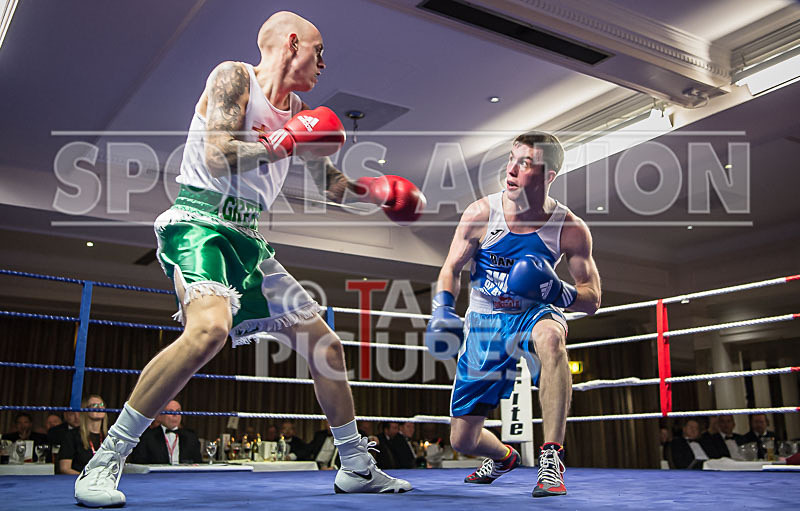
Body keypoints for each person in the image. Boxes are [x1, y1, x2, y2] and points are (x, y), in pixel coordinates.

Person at [73, 11, 420, 507]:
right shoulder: (233, 76)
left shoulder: (299, 109)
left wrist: (380, 192)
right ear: (293, 42)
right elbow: (217, 154)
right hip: (199, 221)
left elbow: (332, 185)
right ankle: (103, 462)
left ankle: (356, 466)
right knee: (208, 332)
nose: (324, 63)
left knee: (327, 346)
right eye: (319, 52)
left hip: (249, 238)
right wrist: (283, 142)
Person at [425, 132, 601, 497]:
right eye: (511, 158)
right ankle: (504, 457)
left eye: (525, 162)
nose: (511, 169)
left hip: (534, 310)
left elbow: (592, 297)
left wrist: (558, 292)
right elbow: (449, 269)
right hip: (486, 319)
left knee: (552, 340)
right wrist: (442, 309)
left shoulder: (568, 227)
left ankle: (551, 458)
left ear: (548, 175)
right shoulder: (480, 213)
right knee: (463, 438)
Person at [128, 400, 202, 465]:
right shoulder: (147, 437)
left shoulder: (191, 437)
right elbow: (138, 464)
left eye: (178, 412)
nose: (175, 415)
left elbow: (198, 463)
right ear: (160, 415)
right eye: (171, 411)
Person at [59, 395, 109, 475]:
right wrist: (85, 478)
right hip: (79, 481)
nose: (99, 408)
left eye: (102, 405)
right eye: (94, 405)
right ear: (85, 409)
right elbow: (65, 468)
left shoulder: (109, 437)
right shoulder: (72, 435)